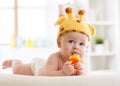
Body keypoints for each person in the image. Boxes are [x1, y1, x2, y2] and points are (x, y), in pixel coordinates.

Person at [2, 7, 95, 76]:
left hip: (48, 68)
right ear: (59, 43)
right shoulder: (55, 58)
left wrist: (82, 72)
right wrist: (62, 72)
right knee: (17, 70)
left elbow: (86, 75)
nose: (76, 47)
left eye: (81, 44)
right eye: (71, 41)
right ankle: (15, 62)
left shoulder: (82, 61)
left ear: (87, 47)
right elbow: (47, 75)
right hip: (39, 68)